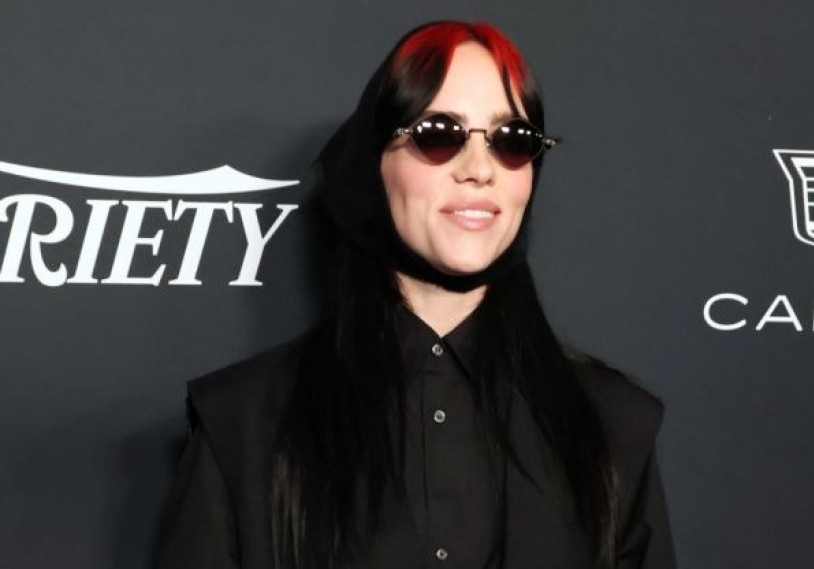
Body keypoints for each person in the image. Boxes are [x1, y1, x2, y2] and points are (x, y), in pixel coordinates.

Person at [156, 21, 675, 569]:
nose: (480, 170)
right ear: (374, 162)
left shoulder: (614, 426)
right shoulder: (243, 423)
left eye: (512, 140)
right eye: (439, 134)